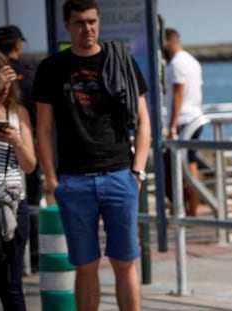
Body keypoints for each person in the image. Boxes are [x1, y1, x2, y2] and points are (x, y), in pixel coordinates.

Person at [32, 1, 151, 310]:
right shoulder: (52, 68)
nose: (88, 28)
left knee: (125, 263)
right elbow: (43, 129)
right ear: (67, 25)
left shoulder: (121, 61)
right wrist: (52, 179)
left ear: (99, 21)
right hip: (73, 181)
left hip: (119, 175)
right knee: (85, 266)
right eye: (80, 23)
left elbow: (144, 121)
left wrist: (137, 171)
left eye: (92, 21)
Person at [0, 24, 43, 273]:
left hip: (17, 156)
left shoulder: (0, 74)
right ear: (18, 44)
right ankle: (33, 258)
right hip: (22, 149)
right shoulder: (26, 73)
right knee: (31, 200)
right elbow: (37, 115)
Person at [0, 49, 36, 310]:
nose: (4, 89)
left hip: (11, 205)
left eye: (8, 83)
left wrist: (17, 141)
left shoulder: (18, 114)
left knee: (11, 286)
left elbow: (30, 165)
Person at [163, 28, 203, 216]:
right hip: (193, 117)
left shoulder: (176, 63)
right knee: (189, 164)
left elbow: (178, 93)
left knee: (187, 167)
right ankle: (191, 210)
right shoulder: (192, 61)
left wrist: (171, 126)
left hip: (185, 120)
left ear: (167, 42)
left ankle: (192, 212)